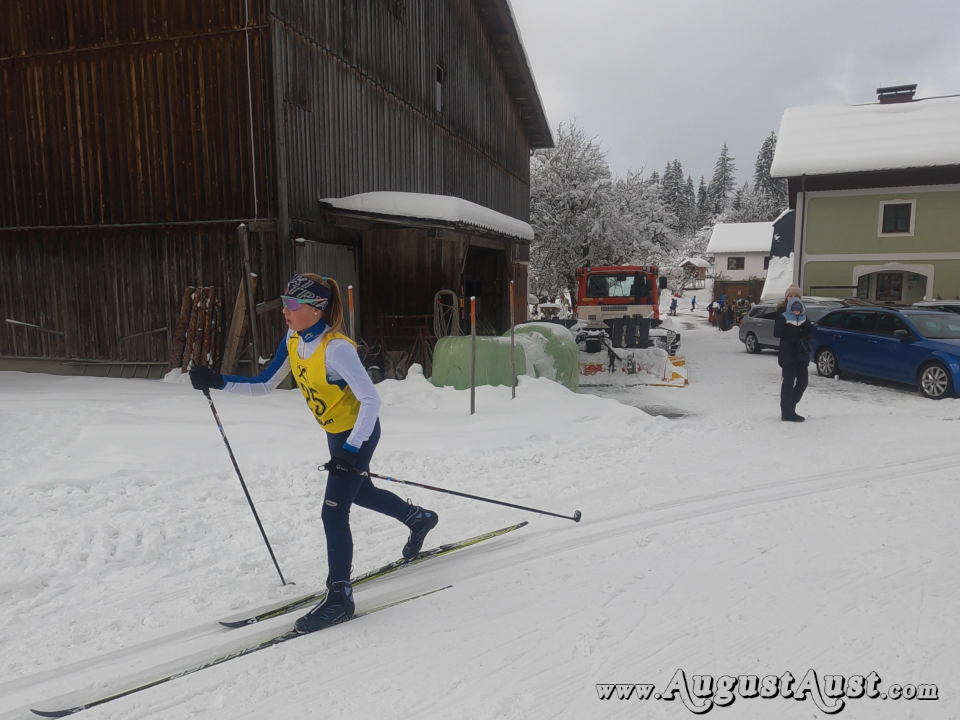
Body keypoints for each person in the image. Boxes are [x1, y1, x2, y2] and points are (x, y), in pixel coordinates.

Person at [188, 274, 439, 633]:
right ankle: (417, 518)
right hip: (336, 434)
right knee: (360, 492)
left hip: (358, 434)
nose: (285, 312)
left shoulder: (337, 349)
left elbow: (372, 400)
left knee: (333, 513)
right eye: (284, 303)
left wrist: (351, 451)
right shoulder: (292, 339)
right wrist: (219, 380)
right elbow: (263, 384)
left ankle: (340, 597)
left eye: (292, 305)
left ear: (316, 308)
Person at [773, 285, 814, 422]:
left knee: (803, 382)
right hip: (788, 352)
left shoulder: (801, 312)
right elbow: (778, 333)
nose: (793, 298)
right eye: (791, 296)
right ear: (786, 297)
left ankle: (790, 406)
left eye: (796, 296)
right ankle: (786, 412)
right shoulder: (782, 311)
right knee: (788, 381)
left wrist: (806, 332)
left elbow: (809, 331)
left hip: (801, 351)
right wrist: (795, 330)